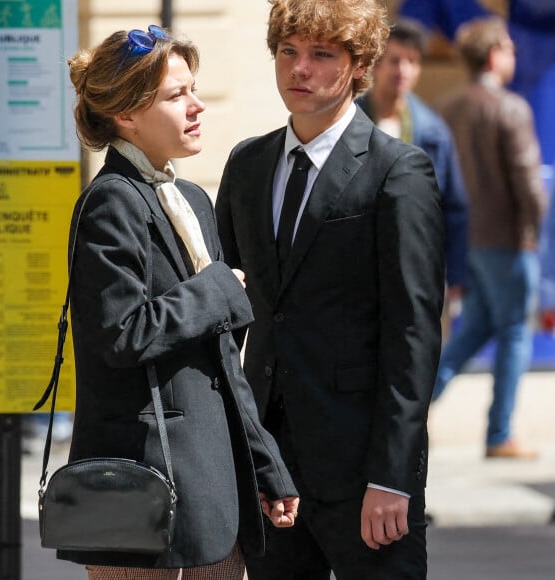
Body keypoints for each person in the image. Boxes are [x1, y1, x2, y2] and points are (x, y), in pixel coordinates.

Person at [215, 1, 445, 578]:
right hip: (270, 467)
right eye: (288, 52)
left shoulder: (398, 170)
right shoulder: (247, 164)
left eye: (322, 55)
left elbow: (412, 334)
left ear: (359, 65)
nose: (300, 69)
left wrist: (392, 476)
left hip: (363, 467)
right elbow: (229, 310)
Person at [63, 25, 298, 579]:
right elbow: (120, 333)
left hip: (212, 495)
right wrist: (217, 289)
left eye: (194, 90)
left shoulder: (190, 197)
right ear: (126, 114)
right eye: (176, 96)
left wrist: (266, 467)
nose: (197, 107)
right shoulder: (110, 203)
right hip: (142, 498)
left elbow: (223, 362)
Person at [433, 16, 548, 459]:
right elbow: (530, 186)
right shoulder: (510, 108)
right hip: (508, 239)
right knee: (516, 331)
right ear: (494, 54)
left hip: (467, 242)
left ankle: (415, 408)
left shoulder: (446, 109)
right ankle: (500, 434)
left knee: (476, 330)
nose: (515, 55)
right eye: (510, 48)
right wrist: (532, 236)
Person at [355, 19, 469, 325]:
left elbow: (454, 207)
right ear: (375, 66)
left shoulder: (432, 131)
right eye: (394, 61)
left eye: (412, 62)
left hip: (417, 268)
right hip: (357, 268)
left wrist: (456, 277)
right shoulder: (350, 121)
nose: (402, 70)